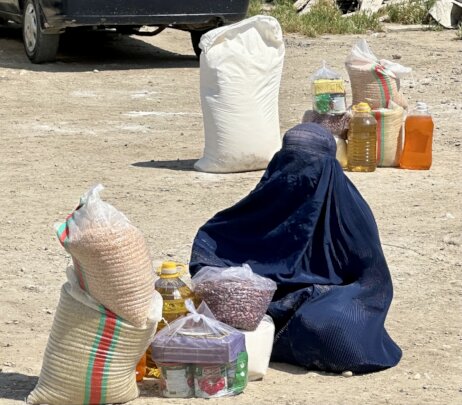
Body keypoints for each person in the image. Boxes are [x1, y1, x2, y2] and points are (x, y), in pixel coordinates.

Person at [189, 123, 402, 373]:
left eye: (311, 167)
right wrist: (228, 282)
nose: (298, 175)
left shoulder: (349, 212)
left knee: (335, 329)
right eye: (291, 162)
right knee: (222, 309)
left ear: (329, 170)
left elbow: (373, 283)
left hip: (324, 298)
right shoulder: (265, 201)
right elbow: (212, 244)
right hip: (261, 299)